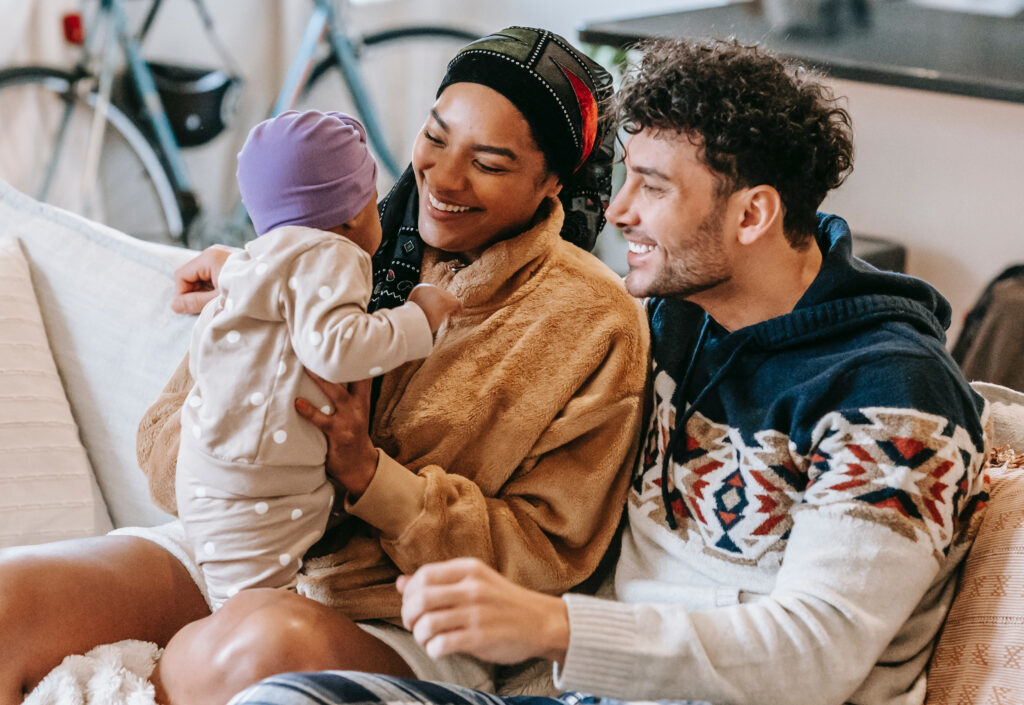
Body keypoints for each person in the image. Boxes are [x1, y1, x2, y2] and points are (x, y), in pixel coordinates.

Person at [227, 38, 991, 705]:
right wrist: (262, 277)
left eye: (652, 187)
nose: (617, 211)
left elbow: (816, 651)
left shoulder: (890, 393)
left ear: (753, 215)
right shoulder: (677, 319)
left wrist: (553, 623)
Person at [0, 27, 648, 705]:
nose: (443, 177)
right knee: (11, 599)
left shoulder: (592, 322)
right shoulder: (320, 234)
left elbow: (547, 556)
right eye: (434, 136)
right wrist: (237, 411)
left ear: (551, 179)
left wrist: (370, 475)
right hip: (237, 548)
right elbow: (163, 446)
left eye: (488, 162)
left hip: (401, 614)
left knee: (251, 647)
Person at [176, 109, 460, 610]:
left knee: (235, 604)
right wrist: (419, 318)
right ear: (353, 214)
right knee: (252, 615)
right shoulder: (334, 253)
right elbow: (335, 347)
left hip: (206, 469)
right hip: (265, 483)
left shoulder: (248, 263)